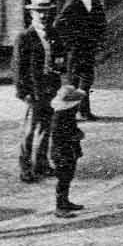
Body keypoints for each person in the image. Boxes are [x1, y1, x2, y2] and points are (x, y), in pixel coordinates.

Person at [14, 0, 63, 182]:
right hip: (33, 91)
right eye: (39, 12)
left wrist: (59, 65)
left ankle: (41, 164)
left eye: (46, 12)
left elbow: (60, 56)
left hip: (50, 89)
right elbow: (18, 68)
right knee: (29, 130)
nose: (43, 16)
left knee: (45, 128)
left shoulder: (53, 33)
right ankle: (25, 168)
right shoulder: (24, 37)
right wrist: (22, 92)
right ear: (31, 13)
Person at [53, 0, 108, 120]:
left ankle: (84, 111)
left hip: (89, 49)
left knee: (87, 80)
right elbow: (58, 24)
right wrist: (68, 42)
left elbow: (102, 25)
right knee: (73, 81)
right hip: (75, 50)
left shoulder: (96, 4)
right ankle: (70, 113)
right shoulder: (73, 4)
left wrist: (99, 42)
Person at [49, 85, 88, 217]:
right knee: (63, 178)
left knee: (68, 177)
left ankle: (65, 201)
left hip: (68, 151)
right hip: (62, 153)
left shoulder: (66, 114)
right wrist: (76, 135)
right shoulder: (60, 117)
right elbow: (60, 136)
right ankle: (60, 207)